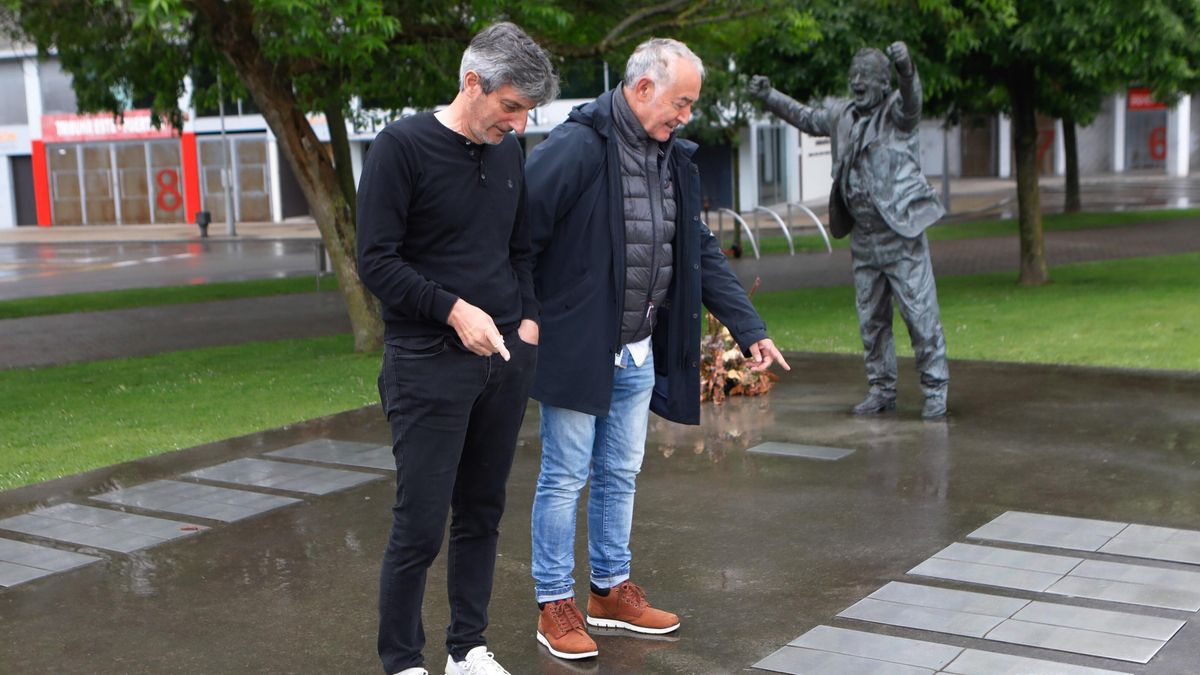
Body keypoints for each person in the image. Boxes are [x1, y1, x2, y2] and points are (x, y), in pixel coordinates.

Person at [525, 38, 791, 661]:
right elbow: (519, 236)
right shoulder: (575, 147)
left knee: (620, 472)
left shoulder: (672, 158)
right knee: (564, 477)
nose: (686, 116)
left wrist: (748, 329)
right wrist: (524, 317)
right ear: (643, 89)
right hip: (576, 346)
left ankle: (610, 590)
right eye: (682, 102)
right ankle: (553, 603)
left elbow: (696, 249)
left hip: (636, 349)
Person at [356, 22, 557, 675]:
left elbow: (519, 249)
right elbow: (375, 262)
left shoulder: (508, 155)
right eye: (511, 107)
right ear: (473, 82)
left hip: (502, 363)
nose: (519, 123)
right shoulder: (400, 148)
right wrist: (451, 308)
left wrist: (525, 322)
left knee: (482, 511)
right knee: (419, 523)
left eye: (527, 111)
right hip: (425, 365)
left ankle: (467, 647)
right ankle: (403, 660)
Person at [751, 42, 950, 419]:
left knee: (921, 318)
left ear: (883, 82)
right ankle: (881, 389)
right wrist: (769, 96)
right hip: (863, 238)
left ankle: (935, 390)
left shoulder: (898, 114)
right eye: (853, 76)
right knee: (871, 320)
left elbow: (912, 97)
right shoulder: (841, 114)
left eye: (866, 76)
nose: (857, 82)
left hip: (901, 236)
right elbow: (806, 117)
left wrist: (906, 68)